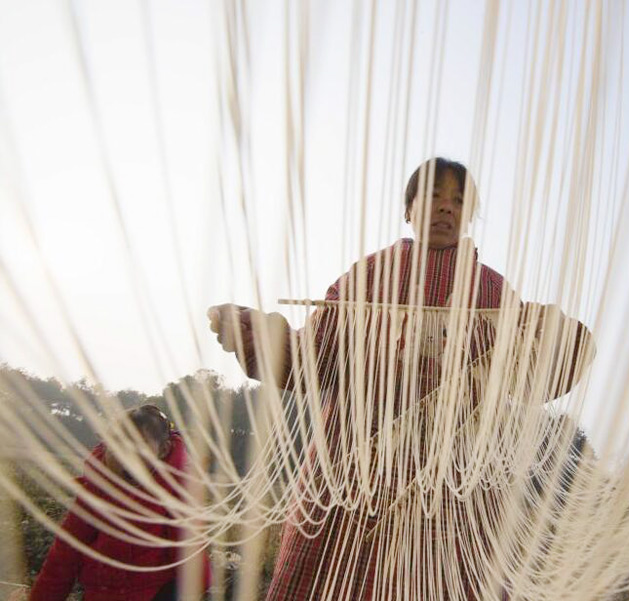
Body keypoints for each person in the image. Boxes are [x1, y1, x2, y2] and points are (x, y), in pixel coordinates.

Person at [208, 157, 594, 599]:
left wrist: (562, 345)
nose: (447, 208)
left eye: (459, 201)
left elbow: (524, 379)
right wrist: (257, 335)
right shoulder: (369, 276)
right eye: (433, 196)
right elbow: (313, 360)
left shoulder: (494, 293)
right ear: (408, 208)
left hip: (452, 489)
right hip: (352, 477)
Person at [27, 405, 208, 601]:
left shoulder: (173, 496)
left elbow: (193, 568)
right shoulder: (95, 492)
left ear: (163, 450)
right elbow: (64, 557)